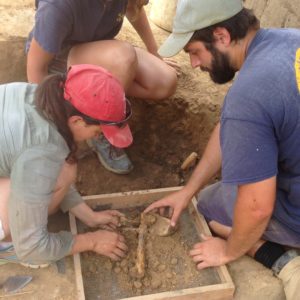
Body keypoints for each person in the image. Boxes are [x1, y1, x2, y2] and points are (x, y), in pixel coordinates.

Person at [144, 0, 300, 299]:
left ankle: (279, 257)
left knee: (211, 205)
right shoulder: (289, 40)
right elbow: (231, 127)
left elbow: (257, 207)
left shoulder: (250, 95)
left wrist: (228, 251)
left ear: (222, 37)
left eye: (194, 52)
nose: (193, 64)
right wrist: (186, 190)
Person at [26, 0, 178, 175]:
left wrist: (154, 51)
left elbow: (133, 7)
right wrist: (50, 123)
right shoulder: (59, 5)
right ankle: (101, 127)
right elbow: (36, 67)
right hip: (60, 59)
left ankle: (108, 101)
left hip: (98, 50)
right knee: (123, 58)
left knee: (164, 82)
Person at [0, 64, 130, 267]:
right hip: (30, 164)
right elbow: (32, 247)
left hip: (22, 161)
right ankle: (7, 246)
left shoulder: (42, 98)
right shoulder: (39, 153)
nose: (99, 137)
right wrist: (92, 241)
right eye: (98, 132)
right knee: (31, 245)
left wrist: (90, 216)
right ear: (78, 121)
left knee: (64, 166)